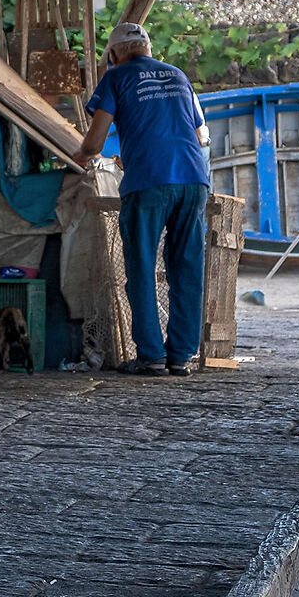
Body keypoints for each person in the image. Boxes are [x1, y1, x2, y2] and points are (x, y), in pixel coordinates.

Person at [79, 22, 211, 377]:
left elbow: (94, 143)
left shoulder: (116, 77)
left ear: (113, 54)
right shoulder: (178, 75)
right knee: (187, 270)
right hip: (193, 179)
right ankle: (181, 356)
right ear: (149, 49)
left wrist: (77, 157)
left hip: (149, 182)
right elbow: (199, 135)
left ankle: (151, 355)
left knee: (141, 268)